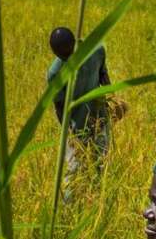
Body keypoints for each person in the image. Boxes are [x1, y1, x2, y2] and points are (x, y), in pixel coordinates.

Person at [47, 26, 111, 175]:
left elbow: (103, 76)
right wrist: (69, 133)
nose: (67, 59)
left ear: (73, 44)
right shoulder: (55, 73)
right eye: (62, 56)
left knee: (101, 163)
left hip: (99, 118)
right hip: (75, 127)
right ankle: (70, 199)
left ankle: (98, 195)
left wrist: (113, 101)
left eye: (68, 53)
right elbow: (59, 106)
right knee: (74, 170)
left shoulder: (96, 50)